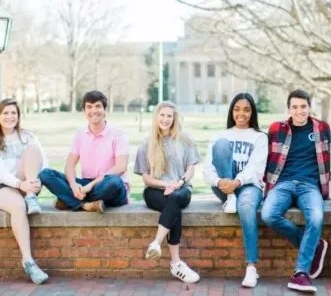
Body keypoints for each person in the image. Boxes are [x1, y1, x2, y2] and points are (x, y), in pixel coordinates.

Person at [261, 89, 330, 293]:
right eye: (295, 107)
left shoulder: (322, 128)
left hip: (309, 186)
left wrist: (325, 188)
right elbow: (267, 159)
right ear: (289, 108)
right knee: (268, 214)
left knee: (316, 218)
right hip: (282, 184)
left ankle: (301, 273)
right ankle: (314, 246)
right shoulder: (276, 128)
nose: (299, 111)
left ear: (310, 107)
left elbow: (326, 160)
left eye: (303, 107)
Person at [204, 93, 267, 288]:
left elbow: (256, 169)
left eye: (247, 110)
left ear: (252, 112)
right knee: (222, 145)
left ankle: (251, 268)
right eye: (237, 109)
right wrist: (221, 181)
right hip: (224, 187)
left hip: (249, 187)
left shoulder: (260, 137)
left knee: (246, 207)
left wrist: (237, 182)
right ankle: (230, 198)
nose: (242, 113)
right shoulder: (220, 136)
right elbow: (207, 169)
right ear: (231, 111)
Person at [135, 101, 201, 283]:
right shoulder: (146, 144)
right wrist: (166, 185)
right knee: (174, 206)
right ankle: (176, 263)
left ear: (174, 118)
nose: (165, 119)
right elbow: (146, 178)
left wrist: (178, 183)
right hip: (155, 191)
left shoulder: (185, 140)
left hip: (181, 189)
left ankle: (156, 243)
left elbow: (190, 169)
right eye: (162, 115)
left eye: (169, 116)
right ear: (156, 117)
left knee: (175, 200)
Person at [39, 91, 128, 212]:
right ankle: (85, 205)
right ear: (84, 111)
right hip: (86, 184)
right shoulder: (80, 133)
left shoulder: (118, 134)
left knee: (114, 181)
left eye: (98, 106)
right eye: (89, 107)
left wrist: (90, 186)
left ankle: (69, 201)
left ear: (105, 109)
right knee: (46, 174)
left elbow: (121, 168)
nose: (93, 110)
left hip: (107, 186)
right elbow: (70, 165)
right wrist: (73, 186)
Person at [0, 98, 48, 284]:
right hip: (4, 186)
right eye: (5, 113)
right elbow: (1, 173)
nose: (10, 116)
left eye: (13, 113)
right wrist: (21, 185)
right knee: (19, 206)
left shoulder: (27, 135)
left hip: (26, 184)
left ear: (19, 116)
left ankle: (31, 197)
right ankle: (28, 261)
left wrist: (34, 183)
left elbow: (43, 161)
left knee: (33, 148)